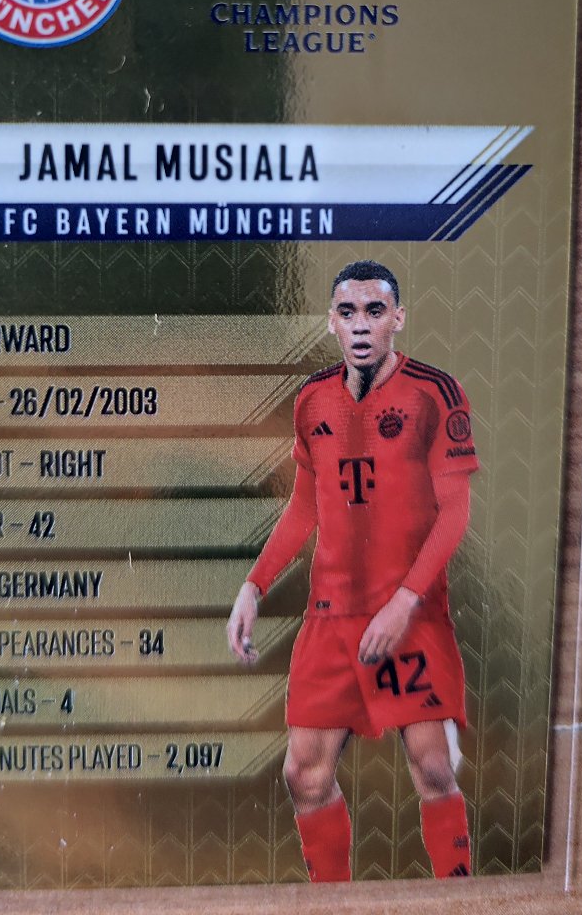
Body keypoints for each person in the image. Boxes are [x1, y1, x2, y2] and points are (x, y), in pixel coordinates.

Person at [226, 260, 479, 881]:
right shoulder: (313, 398)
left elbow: (455, 513)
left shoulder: (435, 393)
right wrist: (254, 586)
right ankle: (332, 899)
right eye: (348, 312)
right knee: (304, 775)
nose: (361, 325)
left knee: (433, 768)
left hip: (410, 617)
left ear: (398, 319)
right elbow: (304, 508)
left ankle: (459, 895)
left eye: (374, 311)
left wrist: (404, 602)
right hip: (331, 616)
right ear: (331, 324)